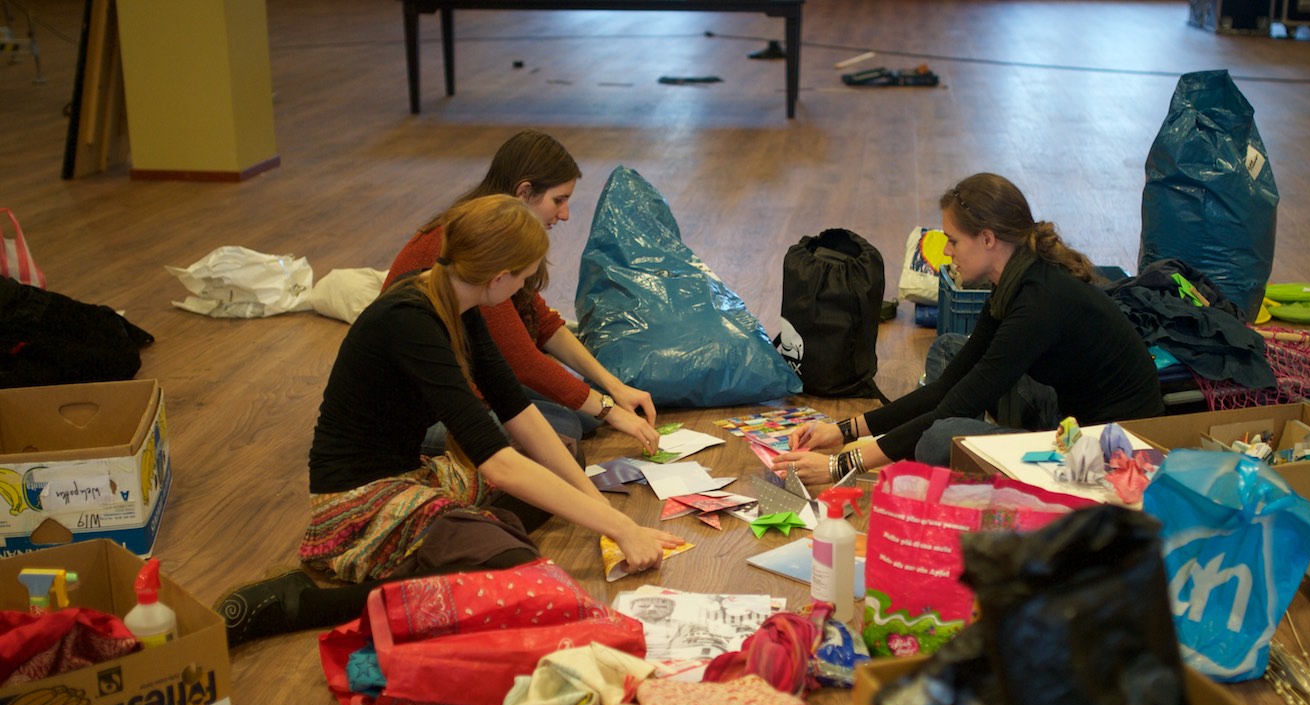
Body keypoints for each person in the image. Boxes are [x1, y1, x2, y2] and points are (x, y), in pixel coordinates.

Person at [217, 195, 685, 646]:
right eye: (524, 278)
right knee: (508, 566)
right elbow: (497, 463)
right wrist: (621, 529)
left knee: (561, 456)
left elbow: (516, 409)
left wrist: (608, 519)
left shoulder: (457, 296)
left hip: (412, 474)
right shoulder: (410, 320)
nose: (525, 288)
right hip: (358, 499)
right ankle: (309, 604)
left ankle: (463, 538)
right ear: (498, 278)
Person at [773, 172, 1164, 485]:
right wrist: (843, 431)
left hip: (1105, 449)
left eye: (953, 241)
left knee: (938, 437)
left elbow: (952, 407)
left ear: (988, 239)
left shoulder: (1038, 301)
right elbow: (948, 388)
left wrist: (840, 465)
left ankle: (983, 438)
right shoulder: (1011, 278)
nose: (947, 251)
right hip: (1067, 415)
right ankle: (986, 436)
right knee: (948, 351)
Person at [387, 130, 661, 455]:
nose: (565, 214)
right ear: (524, 192)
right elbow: (521, 359)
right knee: (567, 426)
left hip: (465, 380)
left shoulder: (499, 233)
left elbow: (543, 323)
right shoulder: (478, 245)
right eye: (558, 200)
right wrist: (609, 409)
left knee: (582, 417)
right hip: (418, 408)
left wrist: (613, 389)